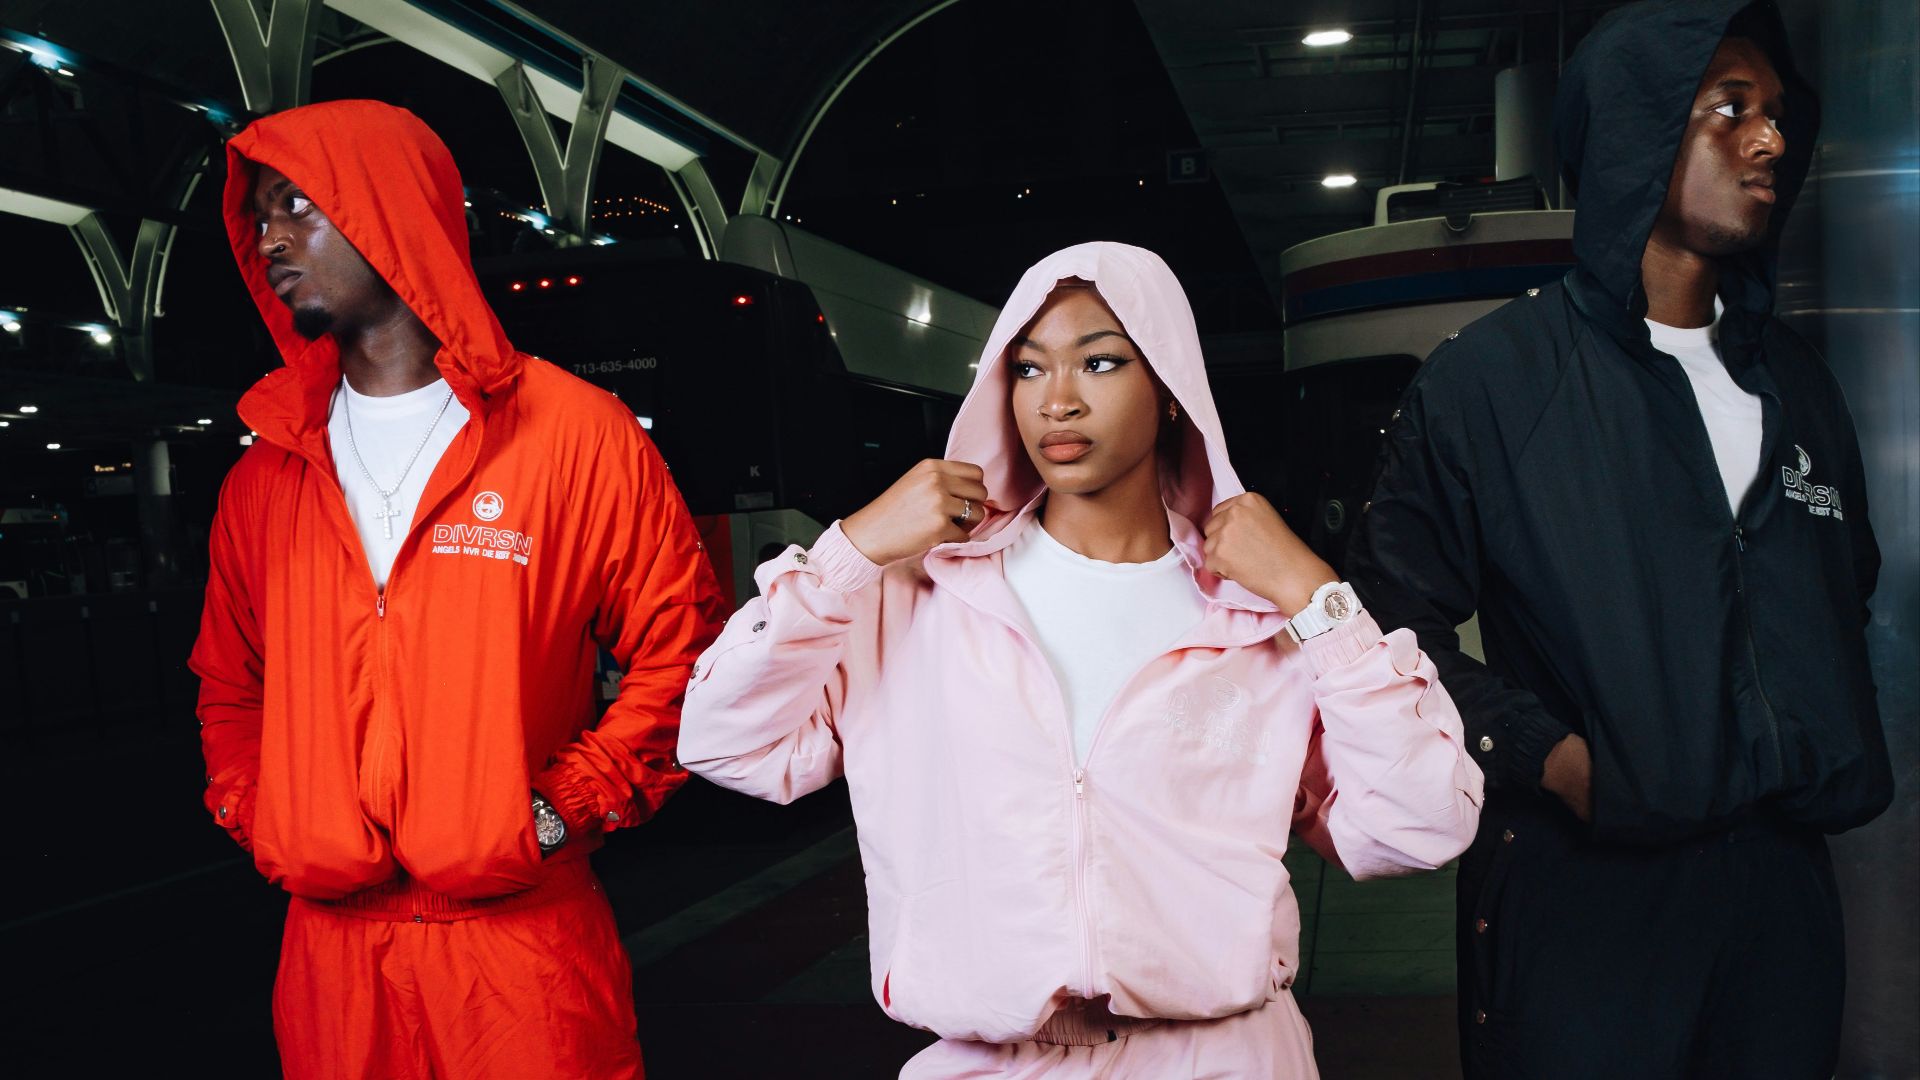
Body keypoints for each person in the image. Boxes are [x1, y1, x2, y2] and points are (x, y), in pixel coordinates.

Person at [678, 242, 1483, 1076]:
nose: (1057, 401)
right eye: (1029, 369)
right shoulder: (911, 598)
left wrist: (1319, 599)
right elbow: (725, 742)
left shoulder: (1255, 617)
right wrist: (849, 551)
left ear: (1169, 388)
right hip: (990, 1065)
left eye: (1100, 362)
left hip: (1223, 1062)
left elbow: (1417, 826)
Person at [1345, 3, 1890, 1077]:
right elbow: (1385, 630)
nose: (1770, 140)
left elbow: (1845, 588)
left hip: (1782, 897)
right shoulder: (1494, 382)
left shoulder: (1800, 386)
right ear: (1639, 133)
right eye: (1729, 108)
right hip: (1587, 902)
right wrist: (1549, 759)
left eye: (1777, 114)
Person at [190, 99, 725, 1078]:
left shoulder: (574, 435)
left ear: (390, 208)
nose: (269, 238)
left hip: (520, 959)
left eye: (298, 204)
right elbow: (231, 684)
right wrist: (263, 811)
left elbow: (684, 655)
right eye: (259, 215)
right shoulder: (267, 471)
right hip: (331, 964)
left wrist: (562, 809)